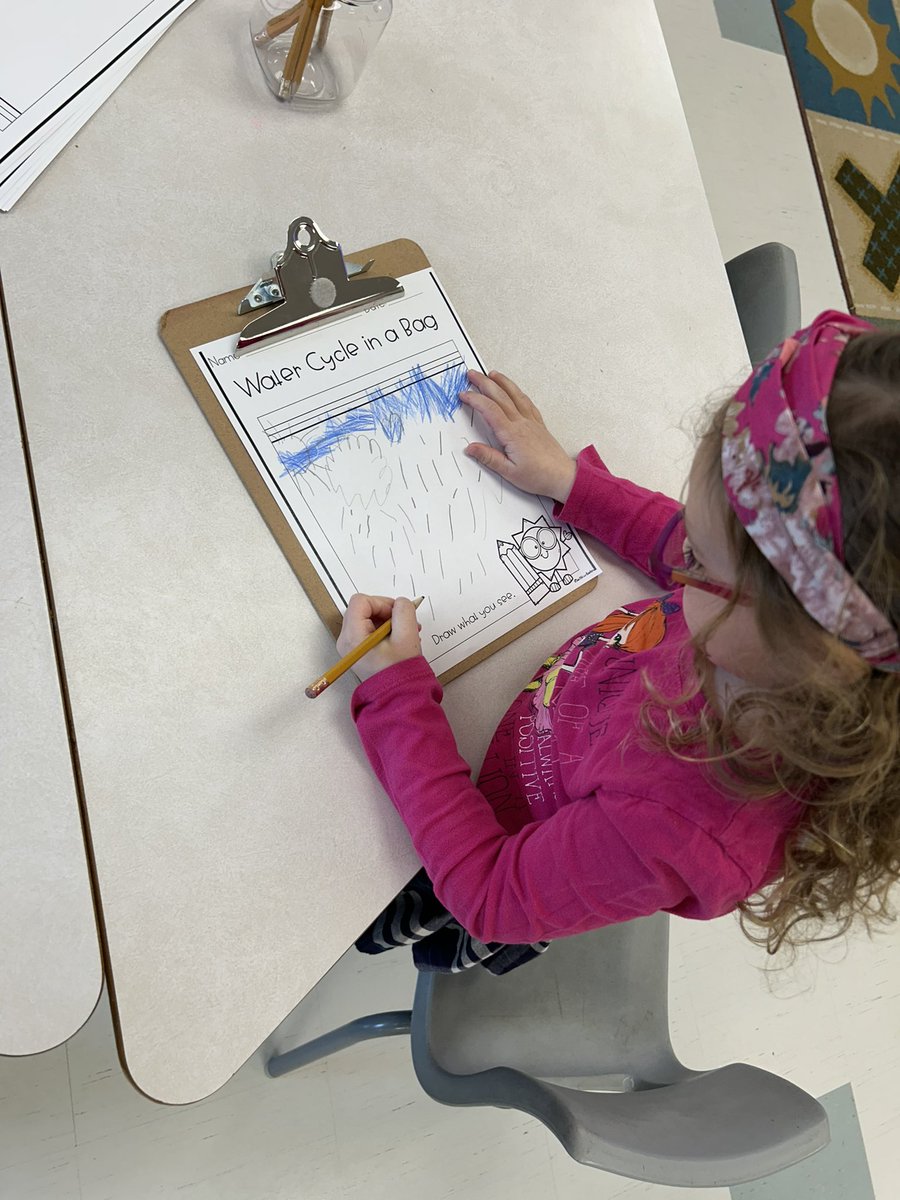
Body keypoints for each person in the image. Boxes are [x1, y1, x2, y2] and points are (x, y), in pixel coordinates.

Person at [337, 311, 900, 974]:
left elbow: (489, 892)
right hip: (529, 740)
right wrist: (570, 481)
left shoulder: (684, 820)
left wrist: (397, 698)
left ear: (814, 647)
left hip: (503, 846)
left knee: (407, 910)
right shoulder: (784, 629)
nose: (682, 557)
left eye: (702, 560)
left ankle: (429, 934)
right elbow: (682, 539)